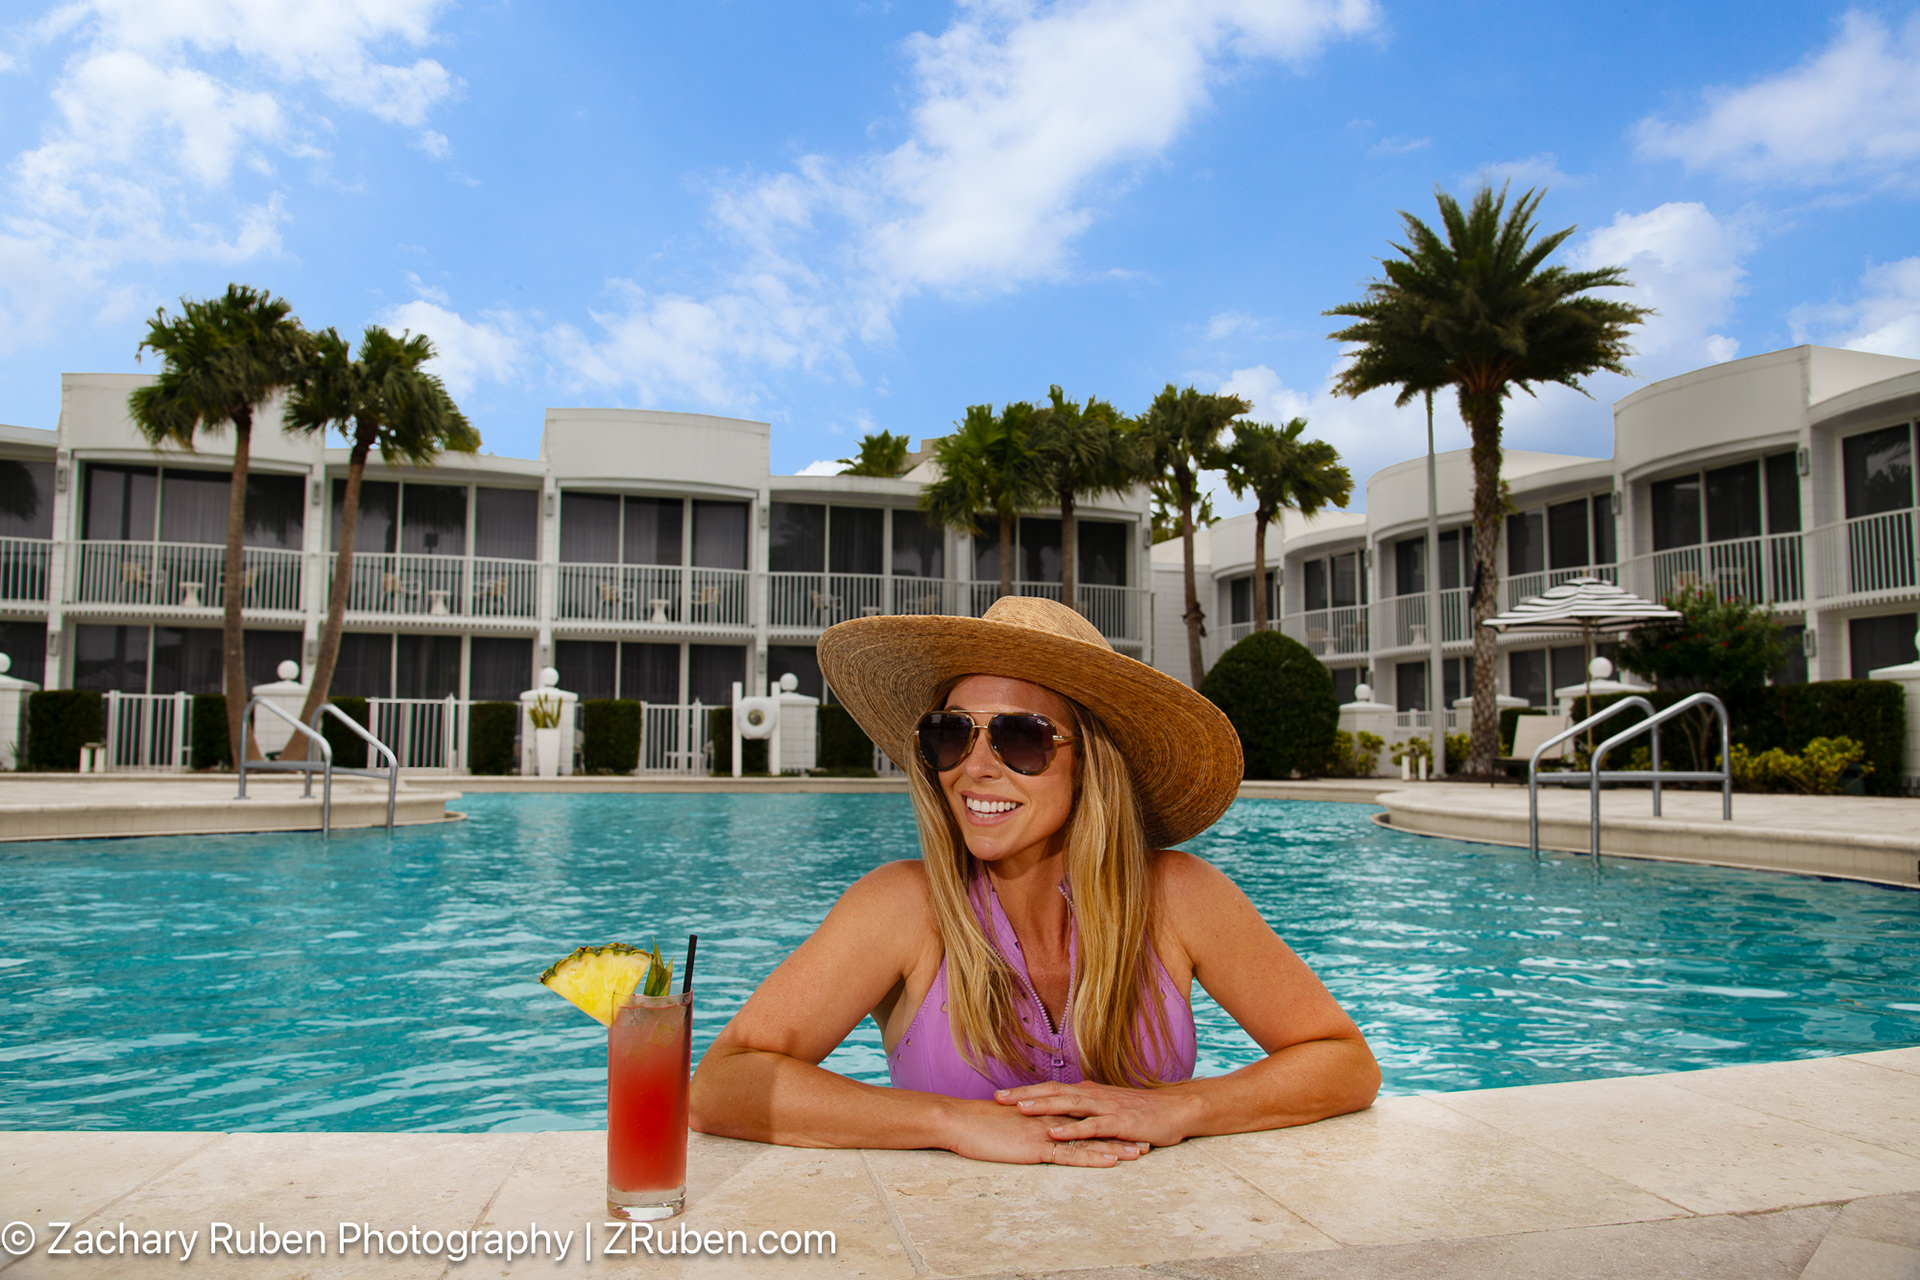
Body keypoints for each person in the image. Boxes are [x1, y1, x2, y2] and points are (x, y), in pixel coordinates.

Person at [690, 596, 1378, 1165]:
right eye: (952, 735)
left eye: (1019, 737)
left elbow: (1343, 1061)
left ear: (1091, 762)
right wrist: (950, 1122)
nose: (976, 768)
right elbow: (723, 1083)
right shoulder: (905, 907)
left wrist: (1180, 1106)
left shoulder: (1179, 896)